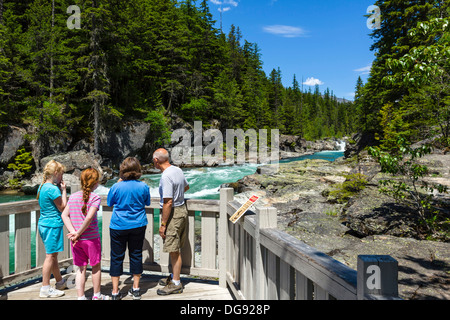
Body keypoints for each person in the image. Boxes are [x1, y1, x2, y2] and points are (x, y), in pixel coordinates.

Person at [61, 168, 109, 300]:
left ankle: (80, 297)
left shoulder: (74, 197)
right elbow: (88, 218)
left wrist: (73, 232)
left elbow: (64, 215)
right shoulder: (95, 197)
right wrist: (78, 233)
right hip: (91, 239)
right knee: (96, 267)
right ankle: (97, 295)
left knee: (81, 269)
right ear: (96, 182)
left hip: (76, 240)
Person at [107, 157, 150, 300]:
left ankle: (114, 291)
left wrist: (118, 183)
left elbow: (109, 202)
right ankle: (136, 289)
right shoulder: (143, 186)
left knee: (116, 257)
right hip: (138, 224)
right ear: (138, 170)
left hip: (118, 225)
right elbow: (147, 202)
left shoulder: (116, 187)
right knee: (136, 254)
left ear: (122, 170)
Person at [152, 148, 189, 296]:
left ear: (156, 161)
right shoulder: (177, 170)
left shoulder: (166, 176)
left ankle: (176, 284)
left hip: (173, 213)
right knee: (175, 248)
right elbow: (186, 186)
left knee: (174, 250)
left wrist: (163, 224)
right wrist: (178, 195)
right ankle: (174, 277)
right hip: (182, 210)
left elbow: (167, 202)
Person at [36, 160, 68, 298]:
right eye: (61, 174)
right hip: (52, 225)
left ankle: (60, 282)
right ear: (55, 173)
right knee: (50, 256)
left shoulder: (42, 187)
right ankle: (45, 287)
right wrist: (64, 190)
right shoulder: (53, 189)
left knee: (52, 255)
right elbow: (63, 207)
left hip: (43, 224)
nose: (61, 177)